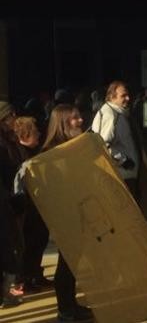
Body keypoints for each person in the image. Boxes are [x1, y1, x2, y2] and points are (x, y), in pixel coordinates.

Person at [39, 104, 93, 321]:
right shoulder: (53, 151)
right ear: (62, 123)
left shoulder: (73, 146)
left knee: (72, 263)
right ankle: (65, 310)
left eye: (79, 117)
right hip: (64, 214)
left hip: (78, 210)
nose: (80, 121)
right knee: (66, 263)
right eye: (74, 119)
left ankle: (71, 305)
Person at [12, 116, 53, 294]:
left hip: (37, 204)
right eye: (35, 132)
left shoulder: (34, 151)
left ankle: (35, 274)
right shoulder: (18, 152)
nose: (39, 134)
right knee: (29, 242)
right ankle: (25, 278)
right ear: (26, 134)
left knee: (40, 239)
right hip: (26, 205)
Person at [91, 81, 143, 202]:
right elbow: (101, 144)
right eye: (123, 95)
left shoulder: (117, 113)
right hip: (121, 176)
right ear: (111, 97)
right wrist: (123, 160)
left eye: (128, 95)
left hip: (126, 174)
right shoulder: (110, 114)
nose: (128, 98)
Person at [0, 102, 25, 309]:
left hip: (10, 201)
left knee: (12, 247)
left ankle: (7, 293)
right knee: (7, 248)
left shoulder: (9, 140)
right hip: (4, 201)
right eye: (9, 116)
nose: (14, 118)